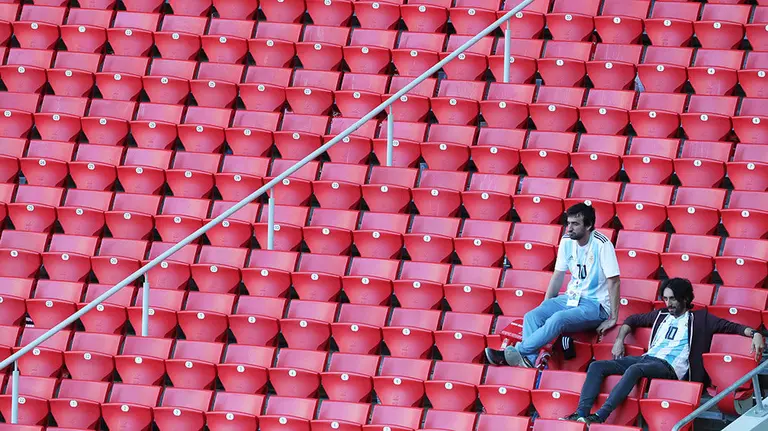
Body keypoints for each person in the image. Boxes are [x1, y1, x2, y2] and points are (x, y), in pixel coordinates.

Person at [561, 278, 765, 426]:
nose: (668, 304)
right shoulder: (661, 315)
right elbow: (632, 320)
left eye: (673, 299)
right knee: (597, 366)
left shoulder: (700, 319)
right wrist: (619, 340)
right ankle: (581, 413)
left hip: (670, 367)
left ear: (685, 298)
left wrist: (755, 333)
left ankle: (600, 416)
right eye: (666, 299)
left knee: (635, 370)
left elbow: (731, 327)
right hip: (647, 359)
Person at [485, 203, 621, 368]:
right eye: (568, 223)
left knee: (558, 319)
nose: (569, 228)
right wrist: (546, 305)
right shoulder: (566, 240)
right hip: (571, 298)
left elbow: (614, 281)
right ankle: (529, 361)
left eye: (575, 224)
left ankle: (519, 351)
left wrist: (613, 317)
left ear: (589, 226)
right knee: (532, 316)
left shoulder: (602, 244)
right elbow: (558, 275)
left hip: (595, 305)